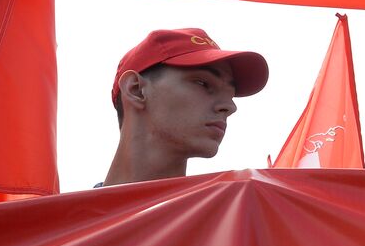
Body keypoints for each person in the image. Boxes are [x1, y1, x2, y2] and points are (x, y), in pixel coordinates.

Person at [103, 28, 268, 186]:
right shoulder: (78, 214)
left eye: (231, 94)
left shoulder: (235, 212)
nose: (230, 107)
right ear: (136, 90)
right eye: (203, 83)